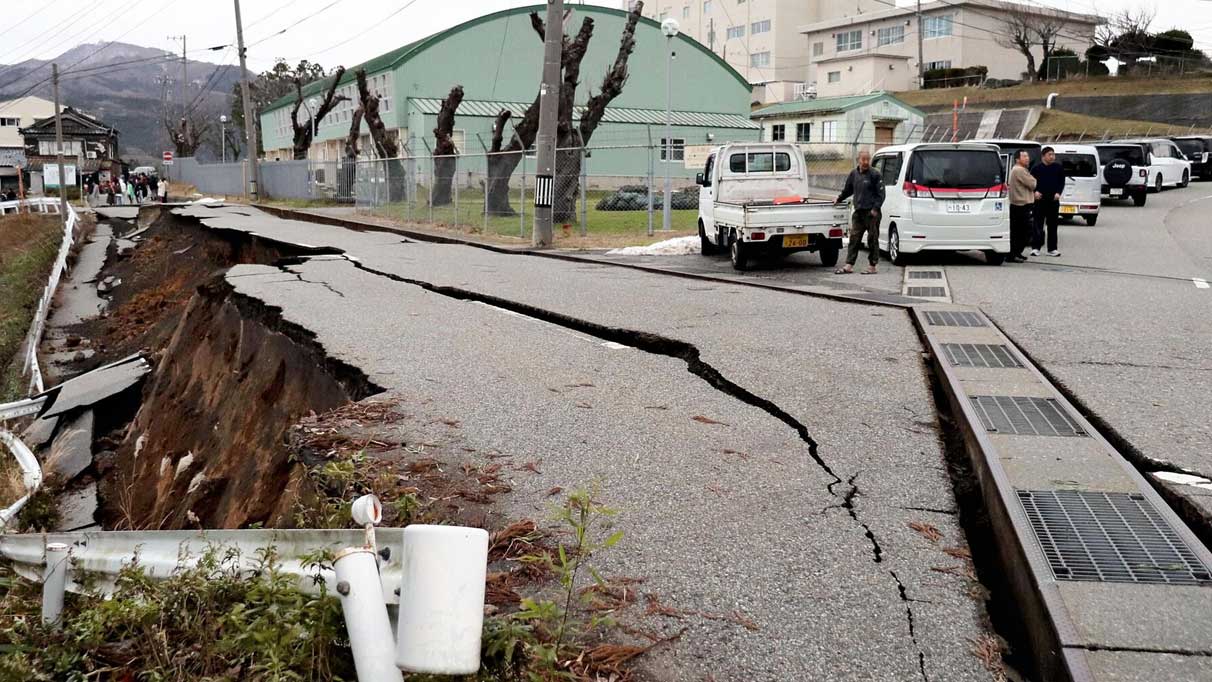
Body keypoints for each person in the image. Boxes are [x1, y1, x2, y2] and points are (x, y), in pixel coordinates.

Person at [833, 149, 885, 275]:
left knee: (872, 239)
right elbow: (848, 190)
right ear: (858, 160)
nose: (866, 162)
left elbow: (881, 195)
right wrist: (839, 199)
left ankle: (872, 265)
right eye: (863, 159)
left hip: (871, 213)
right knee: (854, 238)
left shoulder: (875, 174)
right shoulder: (854, 174)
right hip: (858, 212)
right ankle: (849, 265)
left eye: (868, 159)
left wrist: (875, 209)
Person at [1030, 146, 1065, 257]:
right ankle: (1036, 247)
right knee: (1038, 225)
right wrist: (1034, 192)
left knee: (1053, 225)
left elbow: (1061, 182)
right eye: (1050, 154)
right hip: (1039, 201)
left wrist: (1058, 193)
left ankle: (1052, 248)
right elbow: (1030, 183)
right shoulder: (1036, 169)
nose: (1052, 157)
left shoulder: (1058, 168)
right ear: (1043, 156)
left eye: (1053, 154)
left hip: (1053, 200)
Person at [1008, 149, 1037, 263]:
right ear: (1017, 159)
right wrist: (1033, 179)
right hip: (1021, 205)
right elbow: (1033, 184)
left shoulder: (1018, 169)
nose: (1027, 158)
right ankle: (1013, 254)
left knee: (1019, 231)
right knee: (1022, 232)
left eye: (1027, 156)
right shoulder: (1019, 170)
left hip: (1018, 204)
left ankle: (1017, 253)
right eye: (1024, 156)